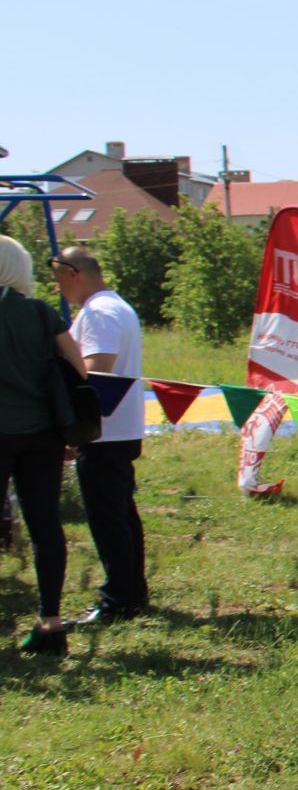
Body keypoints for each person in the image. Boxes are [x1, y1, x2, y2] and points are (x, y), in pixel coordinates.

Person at [0, 236, 88, 655]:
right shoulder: (42, 312)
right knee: (46, 526)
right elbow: (79, 369)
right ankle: (51, 623)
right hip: (42, 436)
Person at [52, 246, 149, 624]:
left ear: (74, 273)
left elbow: (94, 374)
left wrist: (72, 429)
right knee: (121, 514)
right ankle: (131, 592)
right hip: (115, 428)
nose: (58, 289)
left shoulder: (99, 312)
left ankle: (118, 600)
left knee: (109, 519)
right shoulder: (112, 307)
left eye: (59, 281)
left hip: (103, 431)